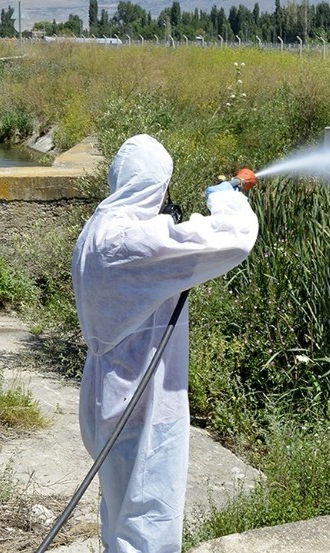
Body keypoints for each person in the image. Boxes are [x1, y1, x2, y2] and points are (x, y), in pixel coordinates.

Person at [71, 134, 259, 552]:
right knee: (148, 525)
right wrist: (226, 199)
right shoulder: (129, 243)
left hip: (108, 392)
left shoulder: (100, 229)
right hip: (142, 402)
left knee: (119, 516)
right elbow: (233, 240)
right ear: (154, 184)